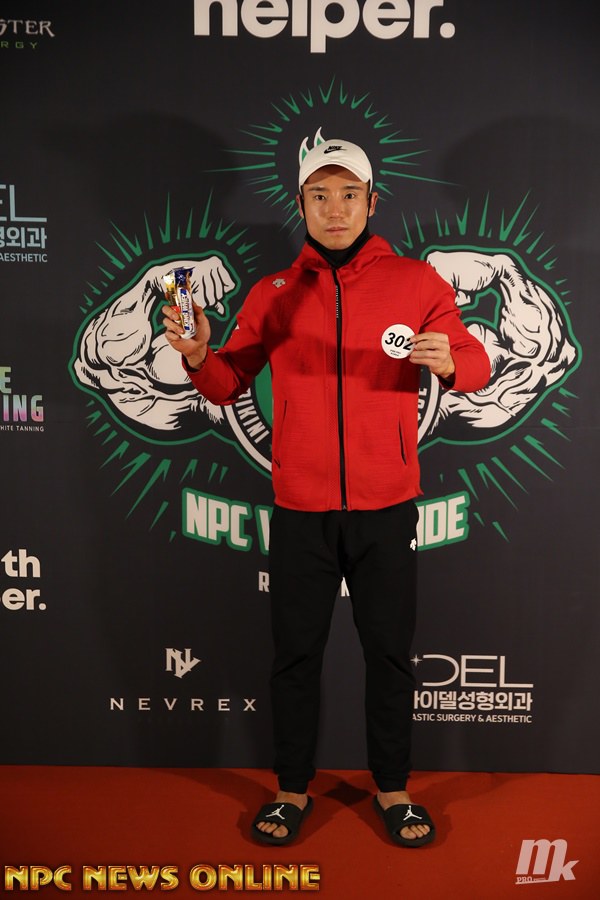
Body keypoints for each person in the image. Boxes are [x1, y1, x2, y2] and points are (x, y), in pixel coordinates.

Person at [163, 139, 491, 847]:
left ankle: (394, 790)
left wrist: (449, 361)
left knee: (390, 656)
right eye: (319, 195)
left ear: (372, 202)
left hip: (387, 507)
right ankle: (291, 791)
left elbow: (474, 362)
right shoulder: (273, 292)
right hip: (300, 511)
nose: (334, 209)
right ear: (301, 204)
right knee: (295, 657)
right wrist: (195, 356)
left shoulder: (416, 283)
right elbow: (226, 384)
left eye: (348, 195)